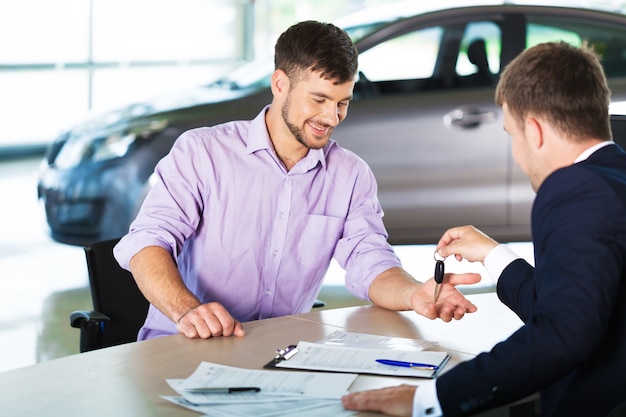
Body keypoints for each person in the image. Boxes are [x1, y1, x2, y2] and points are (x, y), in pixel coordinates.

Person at [113, 20, 479, 341]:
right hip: (181, 342)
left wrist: (415, 293)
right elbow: (148, 242)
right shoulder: (202, 152)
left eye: (342, 103)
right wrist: (187, 310)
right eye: (318, 99)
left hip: (280, 351)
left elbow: (370, 260)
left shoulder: (350, 175)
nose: (331, 117)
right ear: (280, 84)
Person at [342, 41, 626, 417]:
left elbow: (560, 337)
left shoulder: (573, 189)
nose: (517, 153)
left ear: (536, 131)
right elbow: (576, 310)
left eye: (512, 135)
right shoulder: (614, 175)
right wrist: (494, 254)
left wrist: (430, 399)